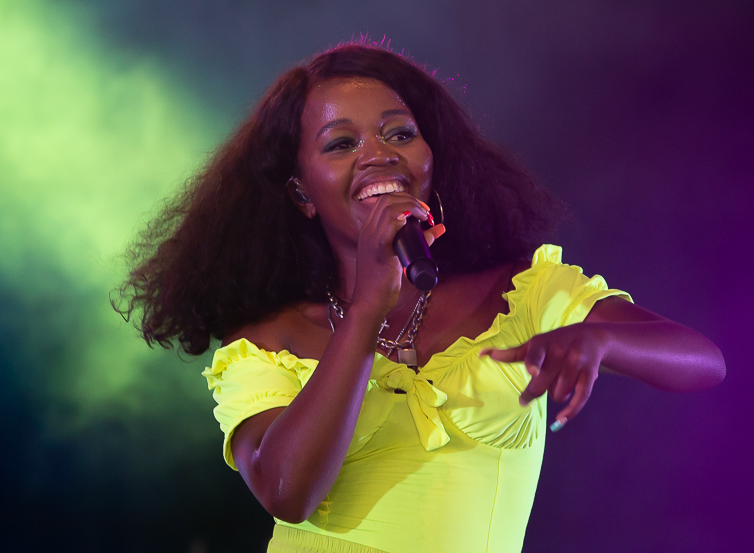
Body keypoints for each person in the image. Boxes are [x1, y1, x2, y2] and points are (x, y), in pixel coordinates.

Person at [116, 43, 725, 553]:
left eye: (399, 133)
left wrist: (598, 337)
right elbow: (286, 492)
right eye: (340, 144)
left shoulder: (520, 293)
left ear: (432, 159)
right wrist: (367, 308)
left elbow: (704, 363)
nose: (377, 154)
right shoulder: (269, 339)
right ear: (302, 194)